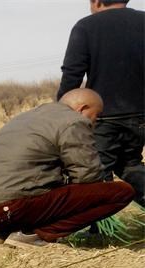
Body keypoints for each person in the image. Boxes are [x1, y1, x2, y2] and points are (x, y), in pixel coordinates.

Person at [0, 89, 134, 248]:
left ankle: (3, 231)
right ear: (83, 108)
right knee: (120, 191)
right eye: (97, 115)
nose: (96, 121)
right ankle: (33, 235)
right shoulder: (74, 121)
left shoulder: (26, 117)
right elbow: (87, 177)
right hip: (6, 208)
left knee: (40, 185)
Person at [57, 0, 145, 207]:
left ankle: (99, 230)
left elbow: (72, 73)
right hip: (142, 114)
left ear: (96, 2)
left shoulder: (86, 26)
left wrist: (60, 112)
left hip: (102, 115)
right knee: (129, 164)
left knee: (96, 172)